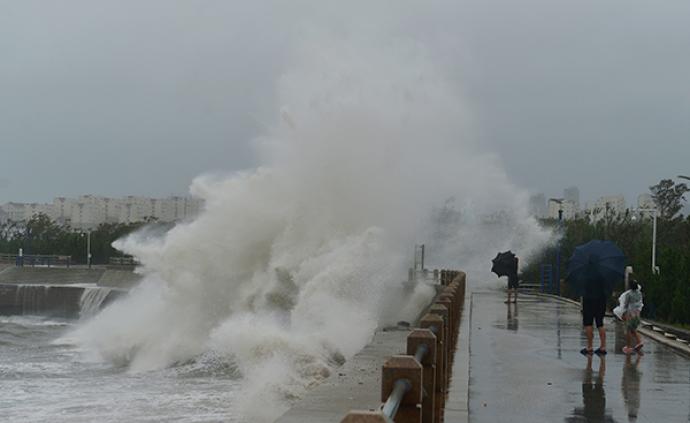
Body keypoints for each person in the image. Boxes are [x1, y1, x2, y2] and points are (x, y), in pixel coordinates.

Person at [580, 272, 608, 356]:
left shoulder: (585, 275)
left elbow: (582, 288)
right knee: (600, 323)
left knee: (588, 324)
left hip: (588, 300)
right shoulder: (603, 274)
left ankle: (589, 346)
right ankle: (603, 347)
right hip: (601, 300)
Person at [621, 278, 644, 354]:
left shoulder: (629, 294)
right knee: (633, 330)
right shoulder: (639, 294)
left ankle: (628, 346)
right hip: (637, 314)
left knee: (628, 330)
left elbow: (626, 305)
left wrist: (623, 313)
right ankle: (639, 342)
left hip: (630, 314)